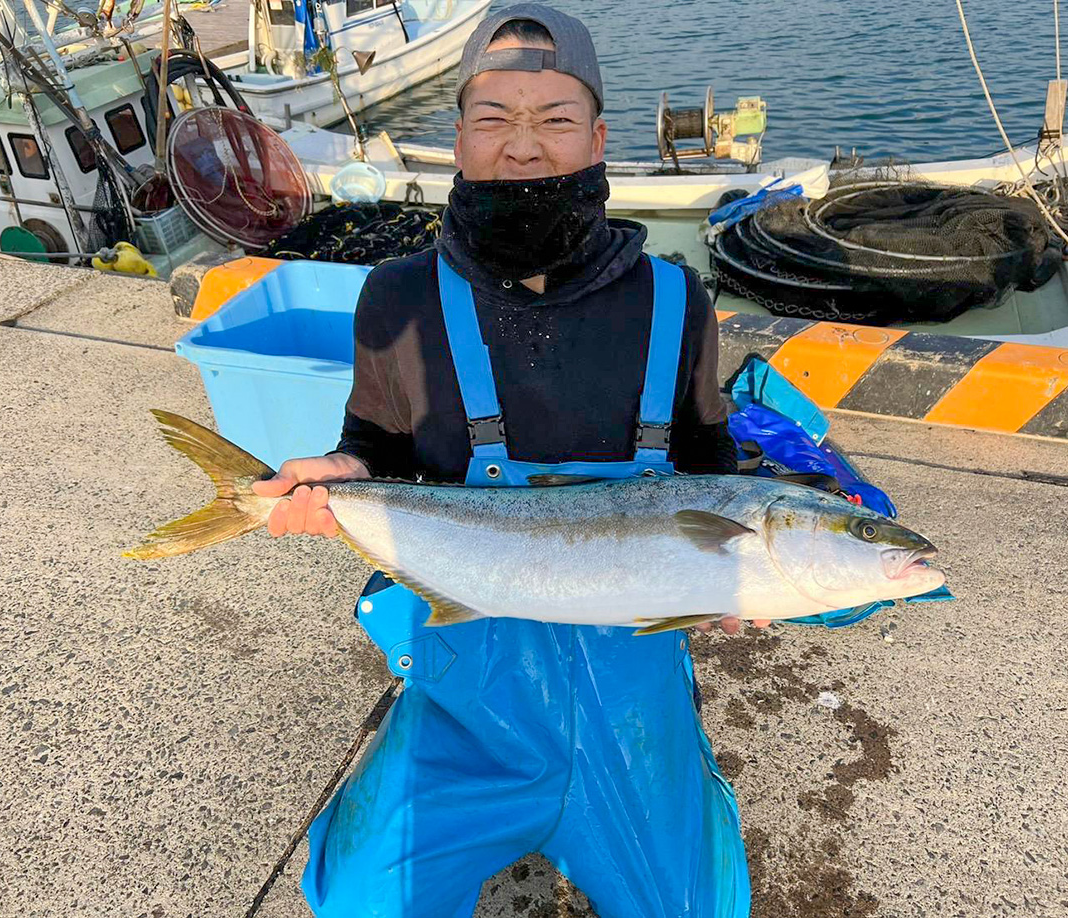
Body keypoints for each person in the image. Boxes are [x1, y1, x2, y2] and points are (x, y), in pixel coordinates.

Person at [252, 6, 759, 915]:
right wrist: (345, 477)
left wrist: (741, 570)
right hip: (467, 699)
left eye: (555, 118)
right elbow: (375, 446)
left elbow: (708, 456)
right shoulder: (396, 297)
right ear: (457, 139)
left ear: (599, 139)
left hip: (632, 700)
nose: (523, 146)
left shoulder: (677, 297)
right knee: (364, 902)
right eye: (494, 118)